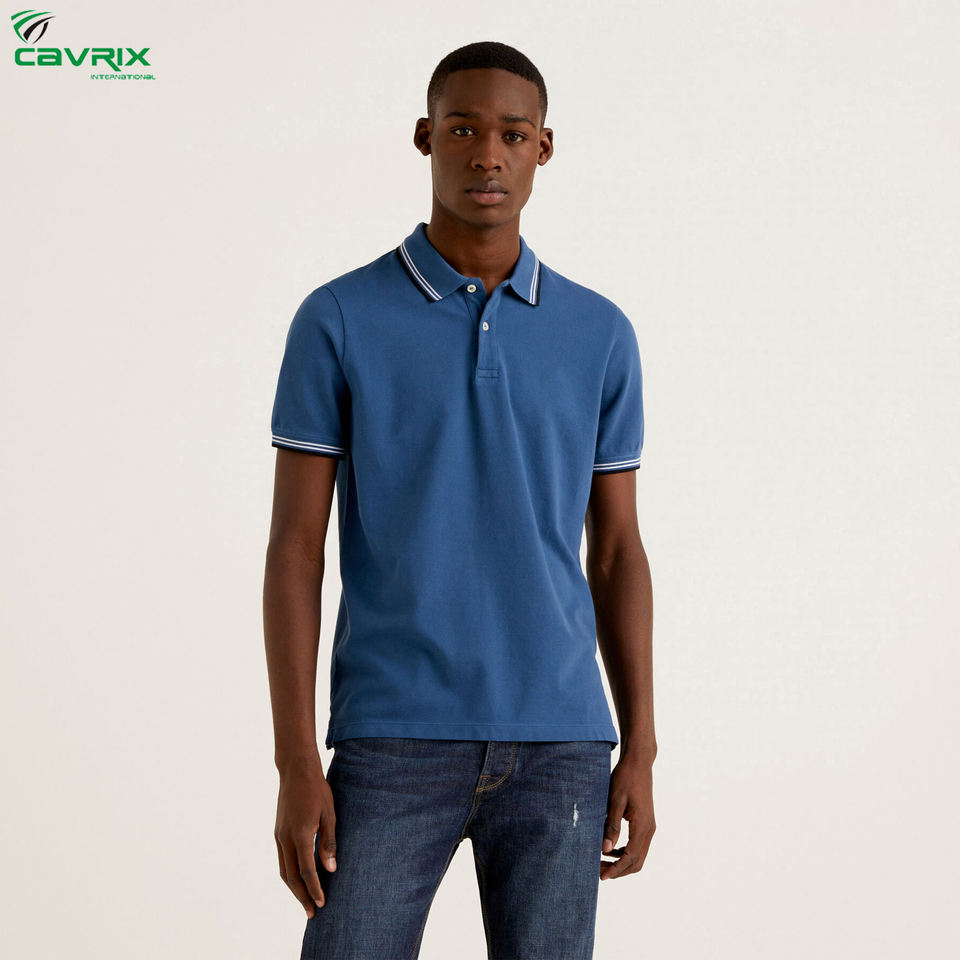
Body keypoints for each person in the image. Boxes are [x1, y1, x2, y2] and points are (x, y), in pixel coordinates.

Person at [263, 39, 656, 960]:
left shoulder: (599, 332)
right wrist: (294, 762)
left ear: (543, 148)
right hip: (392, 738)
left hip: (561, 742)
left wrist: (639, 744)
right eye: (463, 130)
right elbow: (294, 550)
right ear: (425, 137)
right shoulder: (339, 317)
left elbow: (617, 551)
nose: (487, 155)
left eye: (512, 135)